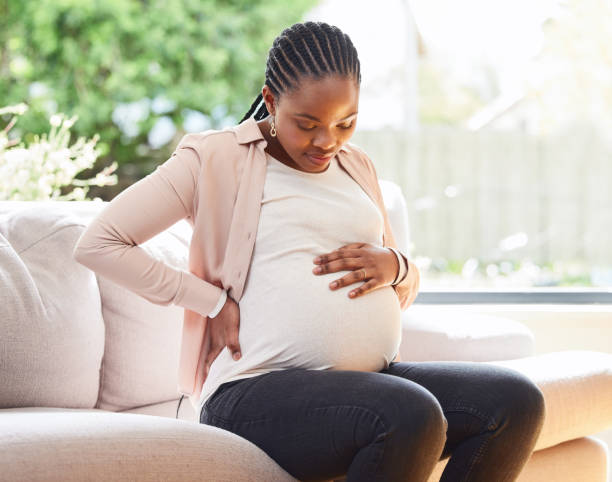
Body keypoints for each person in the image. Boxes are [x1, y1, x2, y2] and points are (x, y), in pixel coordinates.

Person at [73, 20, 545, 482]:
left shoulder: (357, 166)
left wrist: (397, 268)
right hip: (254, 391)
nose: (327, 141)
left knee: (514, 402)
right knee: (410, 414)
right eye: (307, 124)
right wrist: (210, 301)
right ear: (272, 101)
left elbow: (401, 287)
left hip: (369, 381)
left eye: (346, 122)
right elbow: (100, 243)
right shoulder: (214, 158)